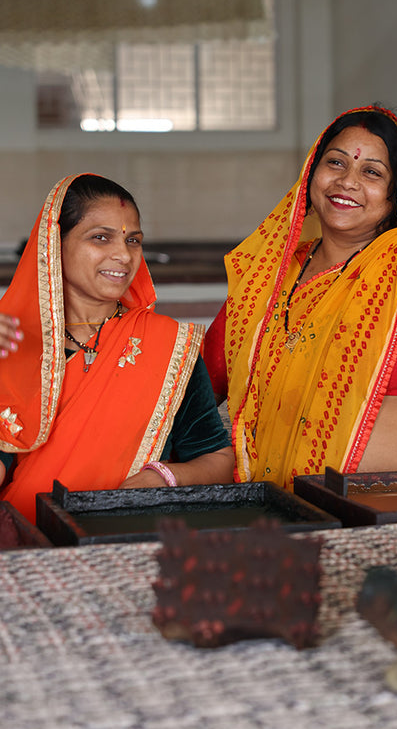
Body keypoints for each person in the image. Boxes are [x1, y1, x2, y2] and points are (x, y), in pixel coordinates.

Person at [204, 105, 397, 486]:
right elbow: (197, 394)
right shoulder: (269, 277)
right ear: (311, 174)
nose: (347, 181)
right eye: (335, 163)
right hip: (280, 518)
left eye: (372, 172)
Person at [0, 174, 234, 522]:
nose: (123, 255)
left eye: (133, 240)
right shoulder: (14, 343)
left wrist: (165, 477)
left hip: (125, 540)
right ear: (54, 244)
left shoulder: (167, 346)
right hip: (27, 544)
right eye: (100, 237)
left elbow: (218, 458)